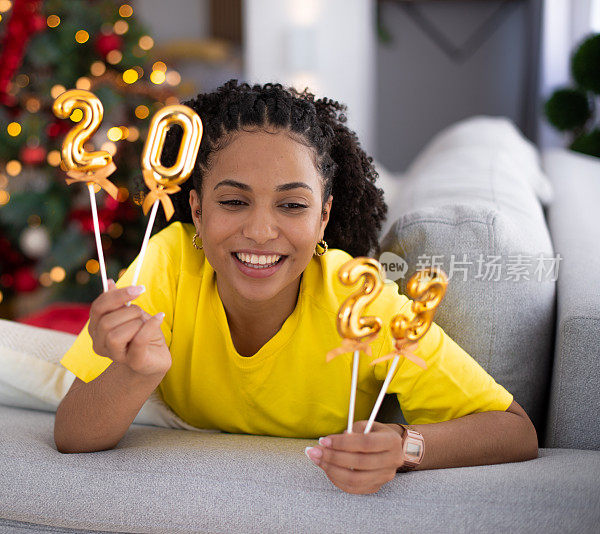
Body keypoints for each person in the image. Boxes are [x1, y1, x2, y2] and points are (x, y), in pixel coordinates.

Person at [54, 80, 538, 495]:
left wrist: (404, 446)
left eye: (292, 206)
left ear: (323, 215)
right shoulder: (169, 261)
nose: (262, 232)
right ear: (197, 210)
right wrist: (135, 374)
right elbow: (73, 434)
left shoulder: (360, 301)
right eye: (234, 201)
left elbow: (516, 431)